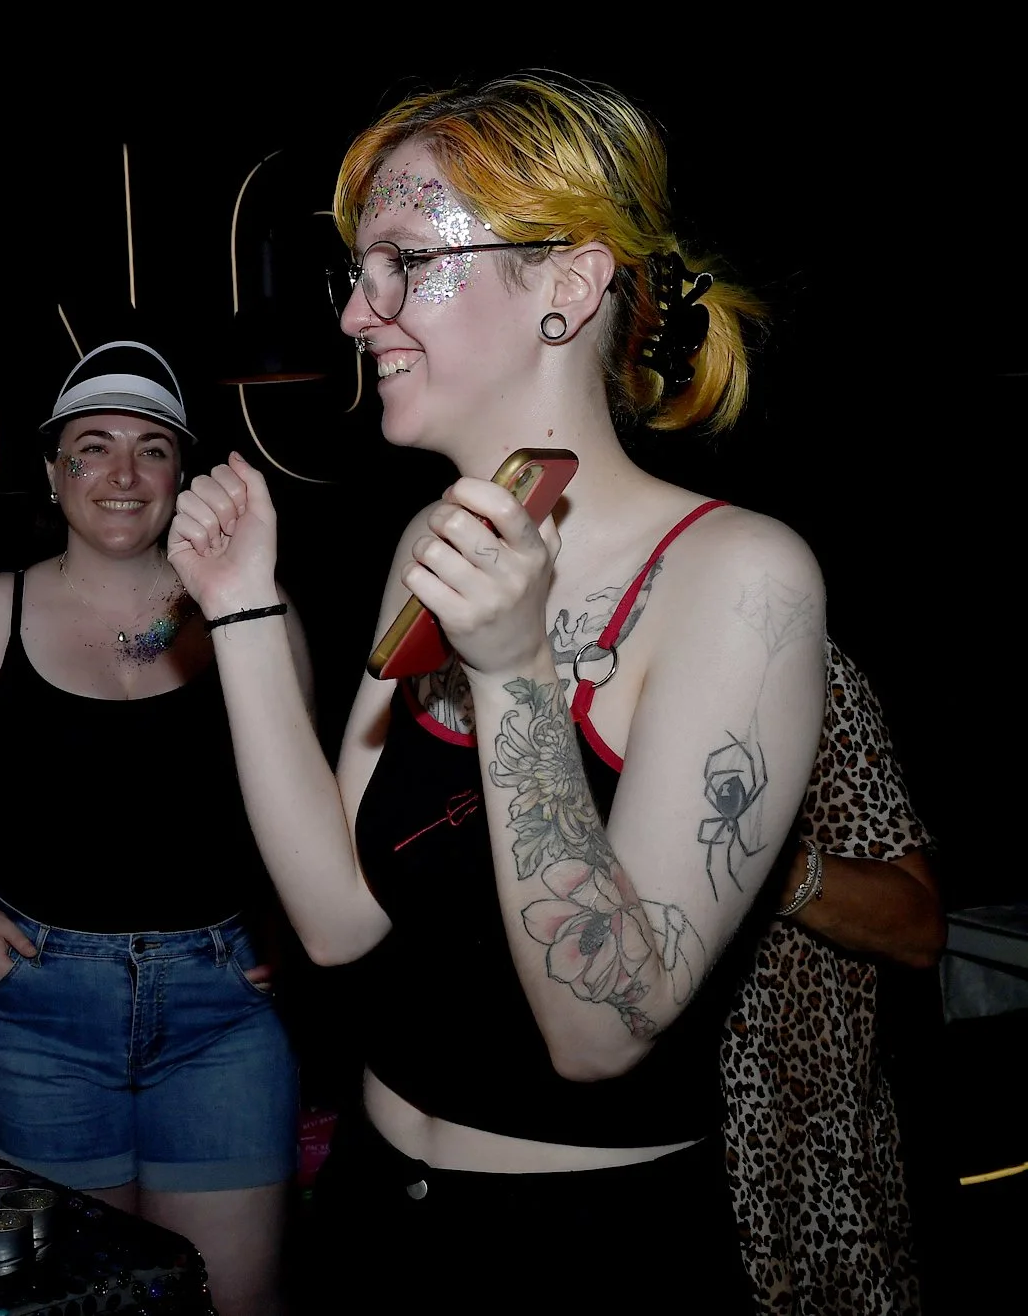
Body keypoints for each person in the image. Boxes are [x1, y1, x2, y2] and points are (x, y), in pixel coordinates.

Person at [164, 71, 827, 1307]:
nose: (355, 315)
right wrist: (242, 610)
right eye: (356, 272)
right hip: (371, 1216)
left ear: (566, 287)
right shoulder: (434, 539)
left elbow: (603, 1031)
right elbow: (338, 922)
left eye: (405, 263)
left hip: (579, 1254)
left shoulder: (740, 577)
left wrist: (517, 671)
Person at [0, 339, 309, 1316]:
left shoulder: (253, 613)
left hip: (221, 1016)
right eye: (93, 447)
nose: (123, 473)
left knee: (232, 1301)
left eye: (151, 448)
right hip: (36, 1015)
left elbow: (309, 804)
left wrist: (287, 925)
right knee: (81, 1304)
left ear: (181, 474)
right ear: (53, 471)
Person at [723, 638, 941, 1313]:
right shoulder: (541, 677)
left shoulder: (799, 666)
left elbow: (919, 926)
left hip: (804, 1173)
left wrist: (769, 863)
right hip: (617, 1143)